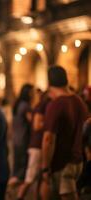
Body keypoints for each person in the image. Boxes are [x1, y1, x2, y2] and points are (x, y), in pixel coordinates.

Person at [40, 66, 88, 200]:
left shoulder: (56, 105)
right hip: (78, 161)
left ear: (49, 83)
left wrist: (45, 168)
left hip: (62, 163)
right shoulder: (79, 101)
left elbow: (48, 139)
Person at [9, 84, 33, 186]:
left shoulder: (17, 104)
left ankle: (15, 177)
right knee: (23, 160)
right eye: (32, 92)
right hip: (23, 137)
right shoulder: (26, 106)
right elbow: (31, 121)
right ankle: (19, 180)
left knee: (17, 159)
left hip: (16, 137)